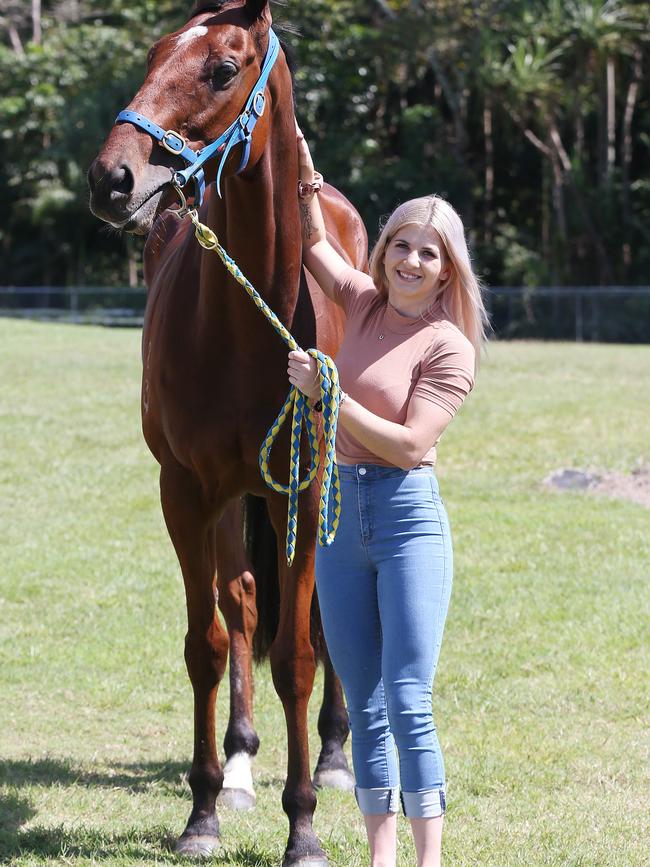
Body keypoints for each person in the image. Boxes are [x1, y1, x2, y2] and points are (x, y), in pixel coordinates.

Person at [288, 124, 488, 867]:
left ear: (447, 271)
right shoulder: (365, 301)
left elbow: (409, 442)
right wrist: (302, 162)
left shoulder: (449, 347)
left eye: (427, 252)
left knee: (408, 699)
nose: (410, 259)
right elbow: (312, 243)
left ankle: (429, 859)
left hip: (407, 520)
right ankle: (382, 857)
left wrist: (327, 392)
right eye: (401, 243)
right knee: (364, 705)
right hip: (342, 516)